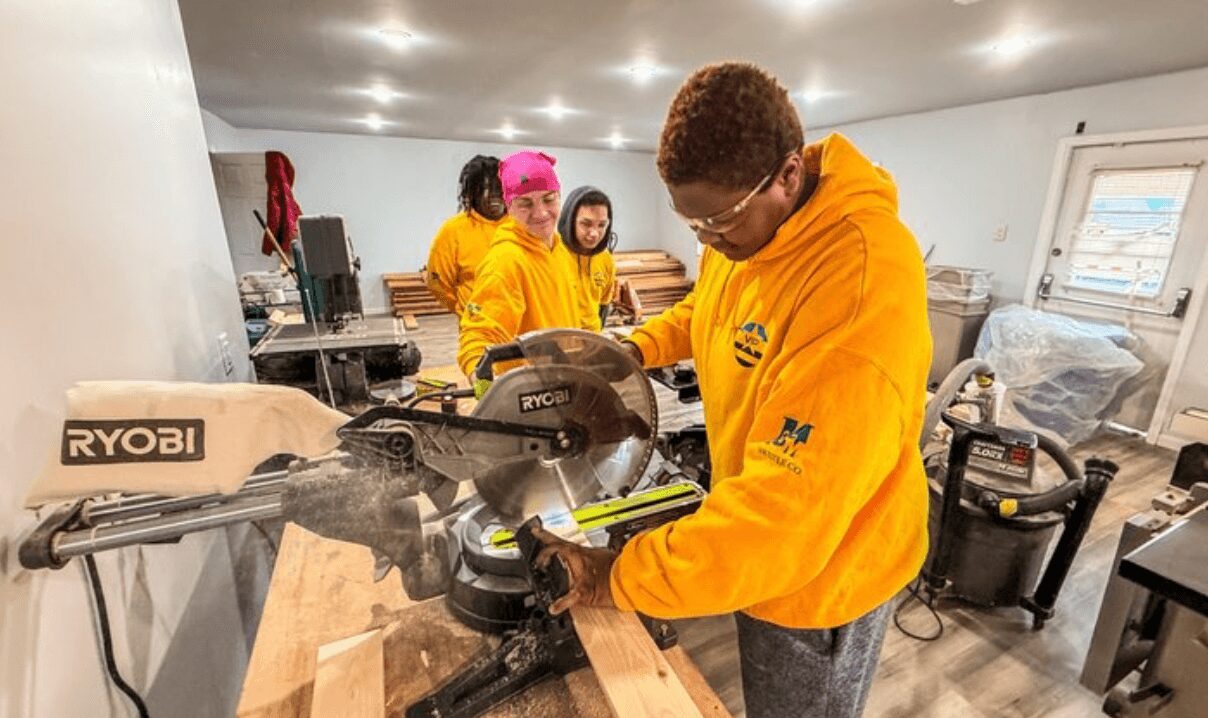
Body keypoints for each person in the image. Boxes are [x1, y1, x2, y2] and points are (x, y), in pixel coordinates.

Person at [532, 62, 933, 718]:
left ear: (787, 176)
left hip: (823, 576)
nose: (707, 240)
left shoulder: (860, 281)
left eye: (717, 222)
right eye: (694, 226)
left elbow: (782, 517)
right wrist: (629, 352)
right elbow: (711, 310)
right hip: (772, 546)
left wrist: (616, 575)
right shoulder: (747, 233)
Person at [456, 150, 587, 380]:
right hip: (530, 397)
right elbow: (478, 339)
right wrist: (484, 390)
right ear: (509, 207)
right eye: (525, 203)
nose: (541, 213)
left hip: (565, 385)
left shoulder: (560, 250)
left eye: (548, 199)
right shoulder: (506, 260)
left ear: (559, 196)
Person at [424, 155, 506, 315]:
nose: (494, 195)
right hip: (478, 329)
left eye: (498, 187)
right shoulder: (453, 231)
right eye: (485, 188)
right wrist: (464, 309)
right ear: (471, 193)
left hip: (522, 328)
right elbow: (436, 283)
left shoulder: (521, 227)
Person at [556, 186, 618, 331]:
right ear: (570, 221)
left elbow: (603, 305)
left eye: (601, 225)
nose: (594, 233)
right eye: (586, 224)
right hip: (558, 342)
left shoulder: (606, 259)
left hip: (592, 341)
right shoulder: (551, 253)